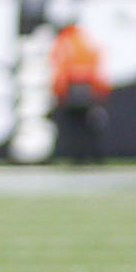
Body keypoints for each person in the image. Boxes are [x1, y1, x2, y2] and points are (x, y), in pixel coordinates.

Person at [47, 12, 109, 166]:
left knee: (72, 125)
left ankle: (76, 156)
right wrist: (100, 90)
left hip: (71, 88)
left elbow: (60, 68)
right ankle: (93, 156)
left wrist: (58, 91)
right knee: (88, 124)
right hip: (88, 88)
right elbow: (96, 66)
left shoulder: (64, 41)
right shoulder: (86, 41)